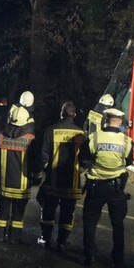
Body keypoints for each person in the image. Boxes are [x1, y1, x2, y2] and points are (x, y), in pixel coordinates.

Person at [81, 107, 133, 267]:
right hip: (116, 189)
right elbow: (129, 161)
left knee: (90, 221)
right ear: (119, 122)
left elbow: (84, 157)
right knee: (117, 223)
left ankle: (89, 256)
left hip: (96, 187)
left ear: (106, 120)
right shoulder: (126, 140)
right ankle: (118, 257)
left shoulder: (94, 137)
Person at [36, 101, 85, 251]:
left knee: (49, 210)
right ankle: (62, 241)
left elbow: (43, 156)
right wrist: (80, 170)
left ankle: (45, 238)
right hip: (72, 182)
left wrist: (47, 170)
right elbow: (86, 157)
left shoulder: (51, 131)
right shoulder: (81, 134)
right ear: (74, 115)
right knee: (67, 213)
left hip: (53, 181)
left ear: (61, 114)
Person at [0, 105, 37, 243]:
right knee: (18, 214)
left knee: (1, 212)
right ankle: (14, 238)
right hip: (22, 185)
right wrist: (36, 177)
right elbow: (34, 161)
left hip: (5, 182)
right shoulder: (31, 139)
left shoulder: (1, 137)